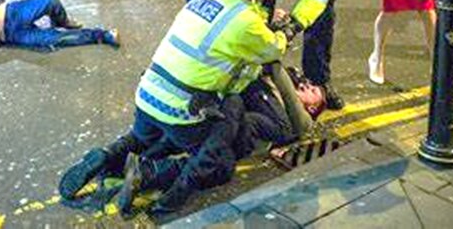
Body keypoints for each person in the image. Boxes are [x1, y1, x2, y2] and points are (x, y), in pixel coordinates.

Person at [59, 0, 289, 214]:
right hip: (183, 107)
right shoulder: (245, 21)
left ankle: (106, 157)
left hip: (148, 92)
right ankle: (155, 177)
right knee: (219, 161)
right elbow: (273, 48)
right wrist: (282, 28)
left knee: (143, 137)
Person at [114, 63, 326, 217]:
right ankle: (148, 172)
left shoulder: (297, 120)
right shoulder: (280, 105)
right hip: (229, 115)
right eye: (308, 85)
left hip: (232, 122)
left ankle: (144, 169)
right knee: (217, 162)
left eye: (313, 91)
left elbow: (298, 123)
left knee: (217, 160)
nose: (306, 87)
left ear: (314, 107)